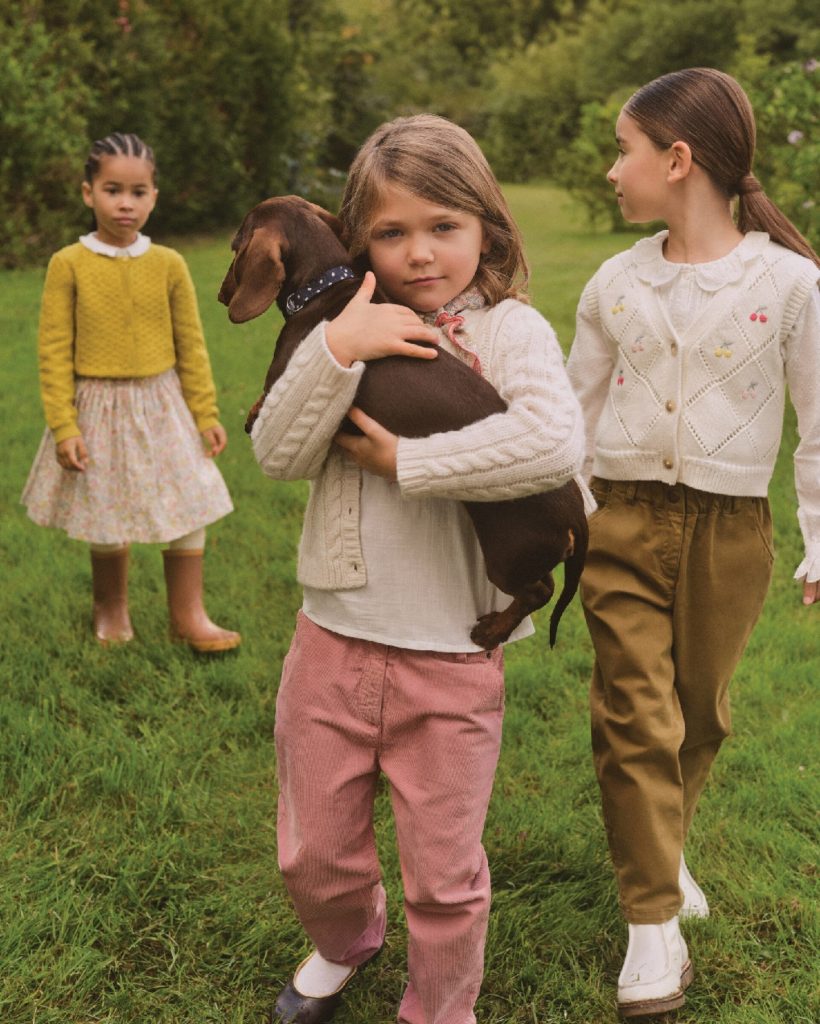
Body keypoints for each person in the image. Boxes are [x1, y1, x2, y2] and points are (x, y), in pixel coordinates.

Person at [249, 114, 591, 1024]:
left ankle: (440, 1007)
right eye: (391, 232)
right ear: (357, 241)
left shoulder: (510, 332)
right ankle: (344, 940)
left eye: (444, 226)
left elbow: (553, 442)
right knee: (314, 852)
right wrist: (338, 350)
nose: (420, 252)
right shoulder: (339, 330)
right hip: (332, 643)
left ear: (488, 228)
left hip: (451, 656)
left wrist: (409, 461)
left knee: (443, 871)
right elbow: (277, 453)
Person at [566, 68, 819, 1018]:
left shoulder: (791, 286)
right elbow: (572, 410)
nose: (611, 170)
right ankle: (650, 924)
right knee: (635, 715)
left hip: (731, 533)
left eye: (623, 150)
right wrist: (567, 515)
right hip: (622, 518)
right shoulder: (615, 281)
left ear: (677, 160)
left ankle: (662, 848)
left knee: (698, 715)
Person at [22, 132, 241, 652]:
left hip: (163, 405)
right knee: (106, 507)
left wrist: (205, 413)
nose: (126, 203)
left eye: (138, 192)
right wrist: (64, 425)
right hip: (97, 407)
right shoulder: (68, 264)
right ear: (88, 193)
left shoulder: (168, 264)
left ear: (153, 197)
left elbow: (191, 345)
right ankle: (111, 610)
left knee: (188, 500)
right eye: (113, 190)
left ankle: (188, 615)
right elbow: (54, 350)